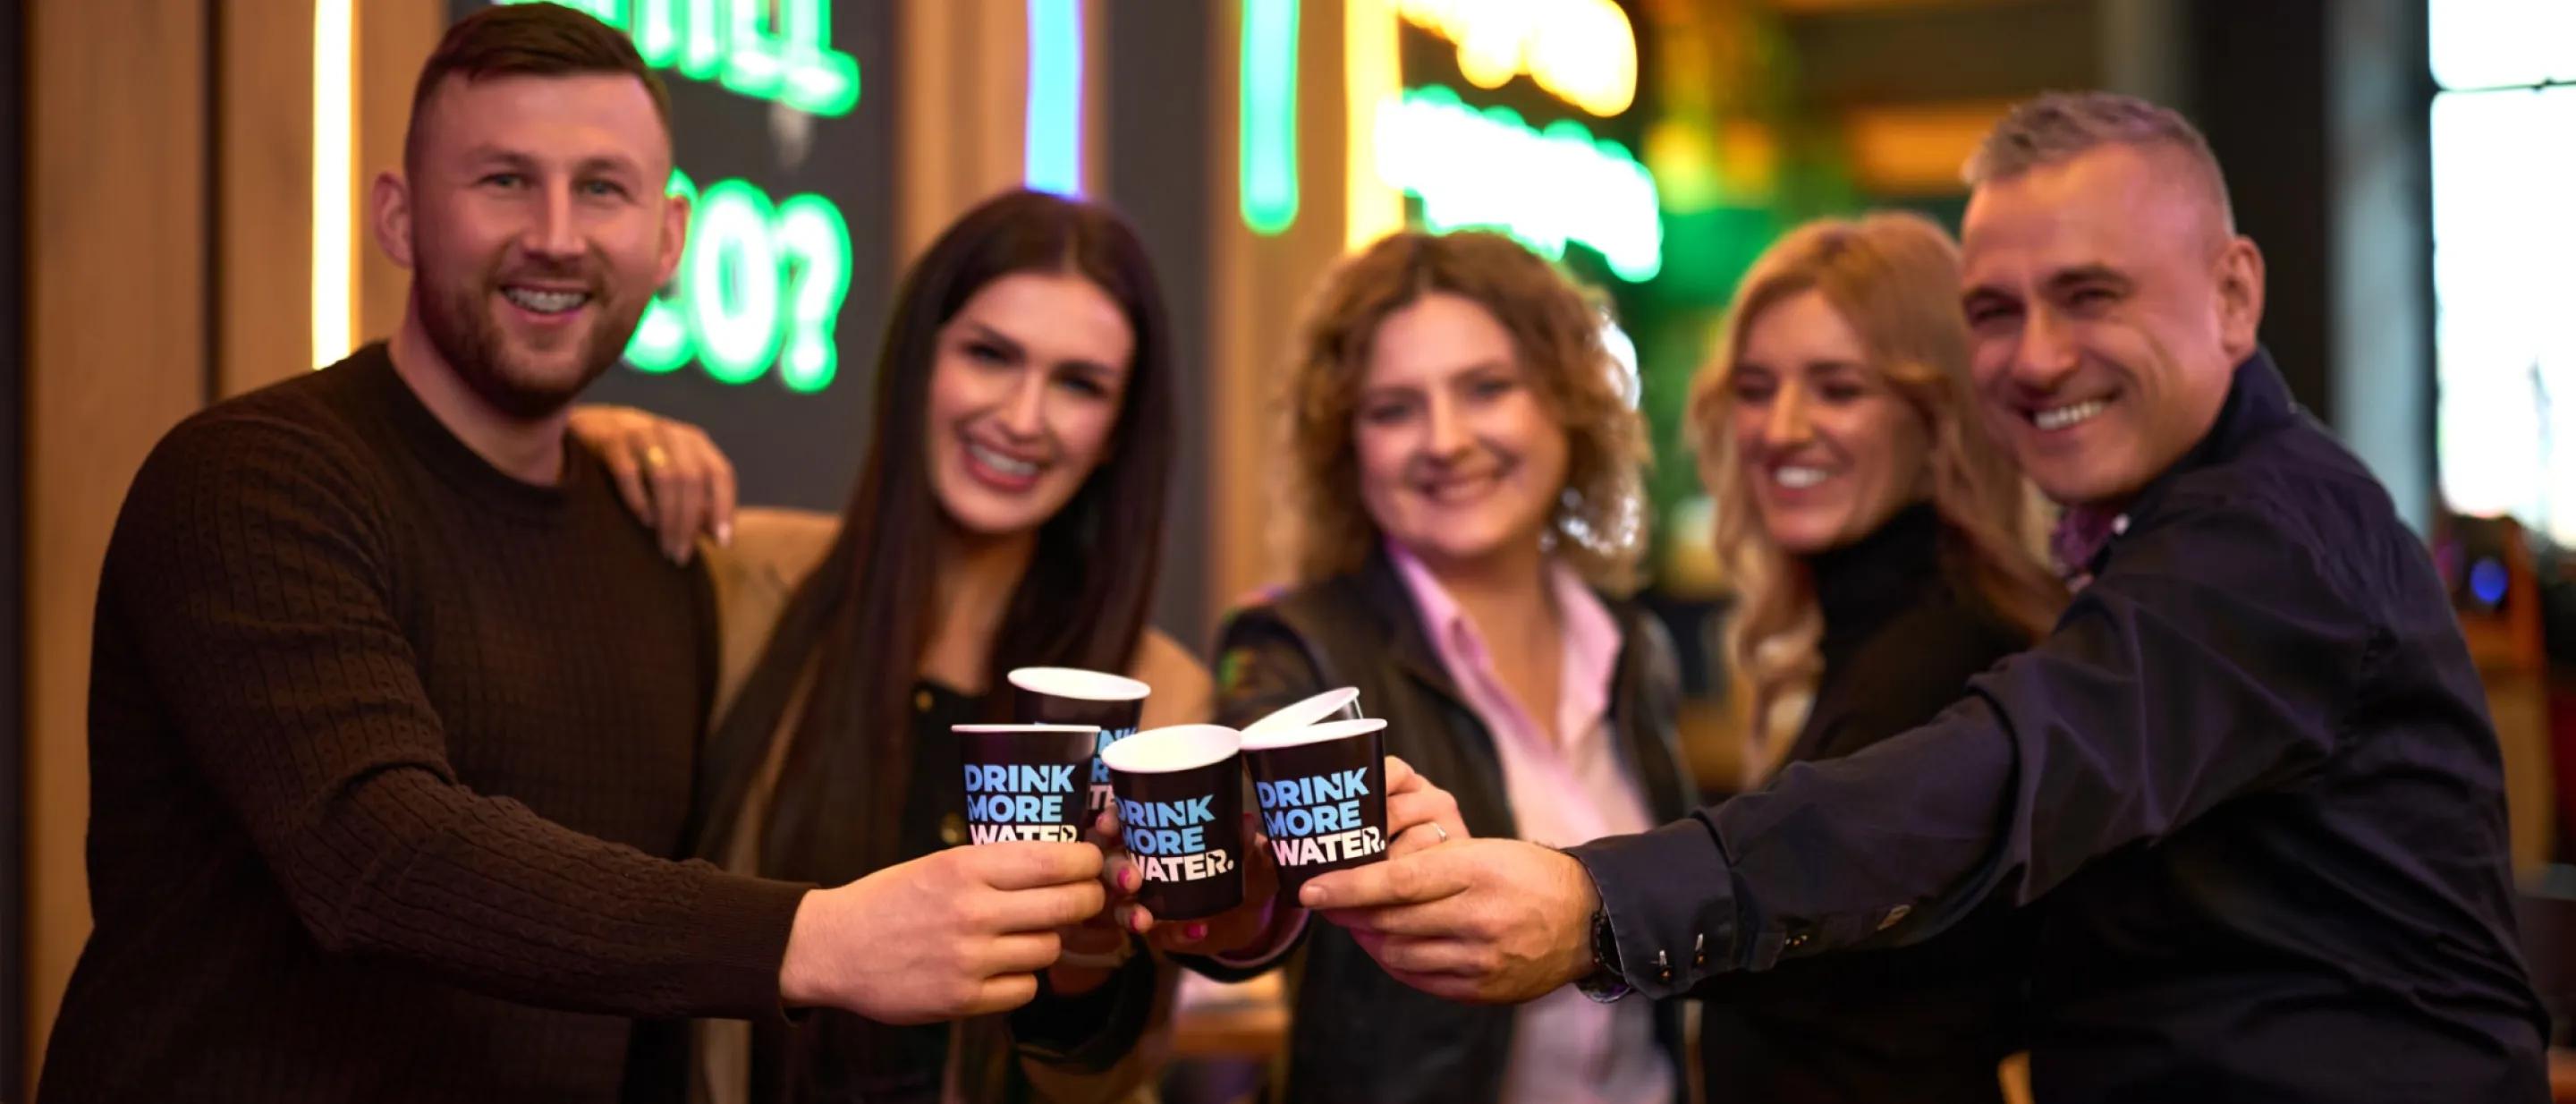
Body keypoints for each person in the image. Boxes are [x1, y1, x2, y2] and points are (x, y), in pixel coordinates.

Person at [1297, 91, 2551, 1101]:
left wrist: (1594, 902)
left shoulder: (2264, 539)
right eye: (1997, 311)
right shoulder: (2146, 541)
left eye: (2092, 294)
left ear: (2234, 291)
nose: (2040, 353)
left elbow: (2008, 770)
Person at [38, 10, 1103, 1102]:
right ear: (399, 218)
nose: (556, 234)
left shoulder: (656, 543)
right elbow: (378, 855)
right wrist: (815, 934)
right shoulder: (254, 479)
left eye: (603, 189)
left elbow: (632, 971)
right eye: (503, 180)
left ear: (671, 239)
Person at [606, 188, 1208, 1104]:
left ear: (1119, 431)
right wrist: (586, 441)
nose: (1021, 415)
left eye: (1078, 384)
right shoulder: (744, 585)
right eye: (989, 355)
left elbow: (1107, 1074)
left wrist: (1095, 953)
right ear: (918, 360)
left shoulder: (1159, 694)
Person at [1196, 229, 1693, 1104]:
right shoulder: (1292, 644)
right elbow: (1239, 895)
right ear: (1344, 447)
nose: (1446, 439)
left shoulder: (1632, 646)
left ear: (1567, 403)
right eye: (1394, 408)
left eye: (1488, 388)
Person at [1690, 212, 2065, 1101]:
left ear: (1936, 411)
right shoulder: (1889, 629)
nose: (1782, 428)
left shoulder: (1943, 657)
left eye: (1838, 388)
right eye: (1755, 386)